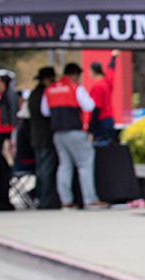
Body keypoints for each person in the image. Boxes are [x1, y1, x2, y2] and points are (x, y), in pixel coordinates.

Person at [42, 63, 105, 209]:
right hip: (75, 131)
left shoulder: (50, 89)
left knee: (64, 165)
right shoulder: (75, 87)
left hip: (57, 133)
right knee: (85, 163)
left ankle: (66, 201)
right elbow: (90, 105)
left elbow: (44, 111)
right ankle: (90, 199)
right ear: (75, 74)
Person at [27, 67, 59, 209]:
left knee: (41, 170)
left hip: (36, 137)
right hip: (46, 137)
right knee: (46, 171)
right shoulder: (44, 94)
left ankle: (39, 197)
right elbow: (46, 115)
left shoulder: (33, 94)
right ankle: (46, 201)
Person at [87, 50, 119, 144]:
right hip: (109, 119)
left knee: (101, 147)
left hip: (101, 121)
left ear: (93, 71)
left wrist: (91, 129)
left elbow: (96, 107)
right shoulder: (107, 81)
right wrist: (114, 57)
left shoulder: (97, 86)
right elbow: (111, 68)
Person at [0, 74, 18, 158]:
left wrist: (13, 122)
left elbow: (13, 108)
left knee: (11, 145)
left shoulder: (9, 94)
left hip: (8, 124)